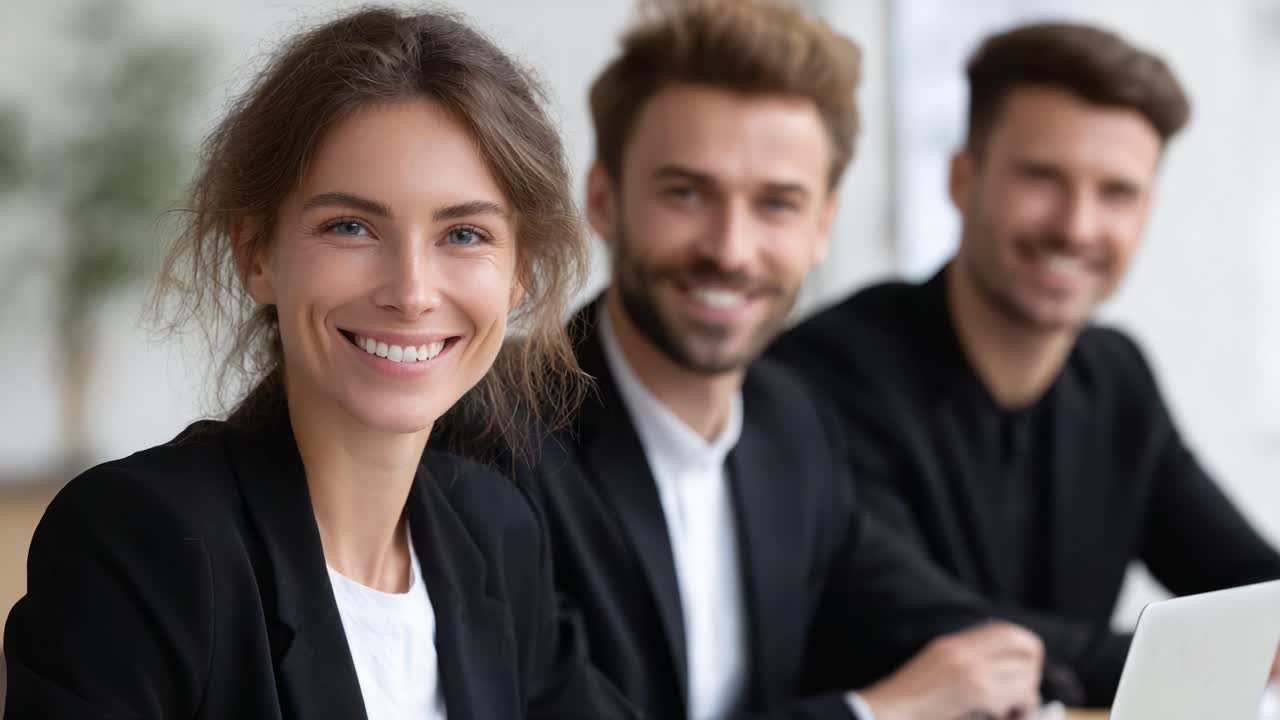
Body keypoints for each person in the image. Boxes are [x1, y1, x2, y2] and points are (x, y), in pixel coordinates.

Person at [2, 7, 636, 719]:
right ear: (256, 253)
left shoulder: (494, 530)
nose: (411, 293)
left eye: (463, 233)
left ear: (518, 272)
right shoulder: (139, 545)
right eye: (351, 227)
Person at [439, 2, 1047, 718]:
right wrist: (881, 712)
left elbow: (939, 621)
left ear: (823, 225)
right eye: (686, 192)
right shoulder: (489, 431)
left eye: (777, 204)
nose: (730, 249)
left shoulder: (791, 421)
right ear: (603, 200)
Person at [770, 21, 1280, 706]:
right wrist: (1227, 650)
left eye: (1117, 193)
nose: (1077, 226)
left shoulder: (1116, 376)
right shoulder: (819, 377)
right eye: (1042, 178)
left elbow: (1254, 586)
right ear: (962, 178)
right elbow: (948, 637)